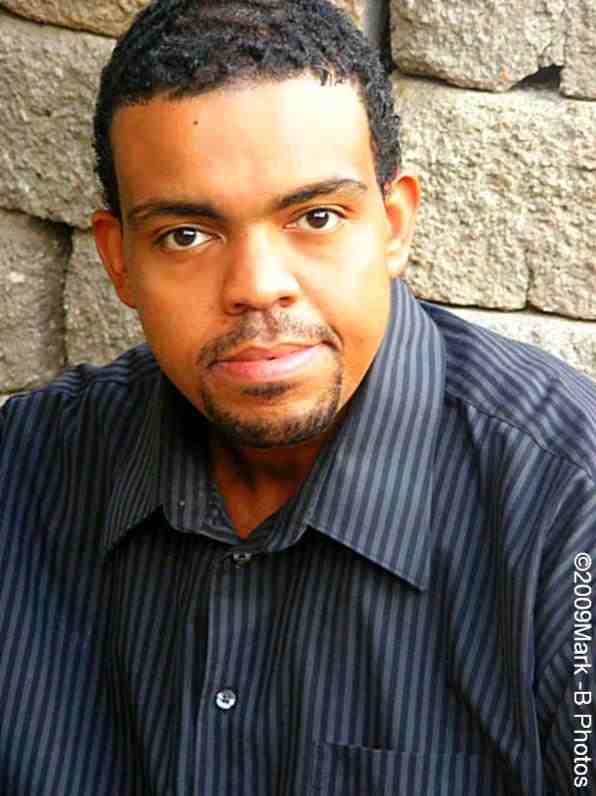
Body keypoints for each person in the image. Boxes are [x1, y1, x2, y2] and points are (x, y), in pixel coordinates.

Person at [1, 0, 594, 793]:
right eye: (186, 235)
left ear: (393, 225)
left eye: (316, 216)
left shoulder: (567, 510)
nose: (257, 287)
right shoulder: (26, 472)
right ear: (120, 261)